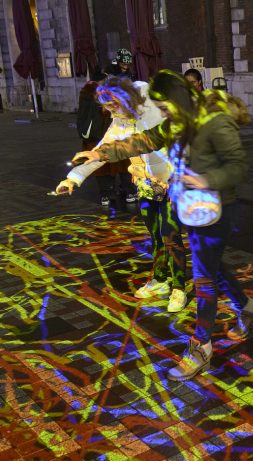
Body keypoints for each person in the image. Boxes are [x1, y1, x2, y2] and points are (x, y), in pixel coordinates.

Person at [72, 71, 253, 381]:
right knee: (212, 270)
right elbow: (144, 141)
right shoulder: (176, 123)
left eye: (164, 107)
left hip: (217, 210)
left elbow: (238, 166)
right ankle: (249, 309)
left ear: (177, 100)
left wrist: (206, 180)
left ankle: (200, 346)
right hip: (191, 207)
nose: (162, 114)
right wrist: (101, 153)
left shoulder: (214, 121)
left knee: (203, 278)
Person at [57, 76, 188, 313]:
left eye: (113, 106)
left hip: (172, 183)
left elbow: (163, 139)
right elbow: (101, 150)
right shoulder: (120, 120)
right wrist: (73, 177)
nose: (110, 112)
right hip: (145, 183)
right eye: (106, 108)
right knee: (156, 236)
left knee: (171, 237)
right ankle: (160, 279)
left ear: (125, 98)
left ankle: (179, 287)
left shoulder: (153, 106)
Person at [75, 67, 115, 206]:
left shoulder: (85, 92)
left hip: (91, 135)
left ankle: (106, 193)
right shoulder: (98, 92)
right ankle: (111, 192)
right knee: (107, 163)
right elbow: (105, 112)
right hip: (101, 134)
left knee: (99, 164)